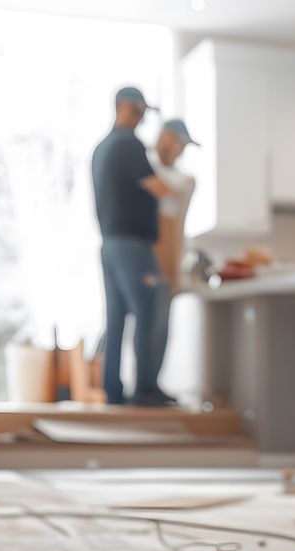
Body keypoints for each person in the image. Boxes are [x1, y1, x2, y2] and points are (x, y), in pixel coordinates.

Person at [91, 86, 177, 407]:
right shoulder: (129, 144)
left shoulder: (101, 147)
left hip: (110, 245)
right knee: (148, 313)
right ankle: (146, 389)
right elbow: (159, 188)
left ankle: (112, 390)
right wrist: (178, 186)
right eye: (139, 111)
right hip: (133, 247)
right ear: (125, 107)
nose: (141, 118)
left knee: (116, 318)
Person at [145, 118, 200, 384]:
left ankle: (151, 385)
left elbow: (178, 226)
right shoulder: (144, 165)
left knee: (161, 326)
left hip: (168, 257)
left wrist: (177, 268)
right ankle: (141, 386)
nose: (181, 151)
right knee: (143, 324)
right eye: (180, 144)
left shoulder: (183, 180)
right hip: (145, 256)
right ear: (166, 137)